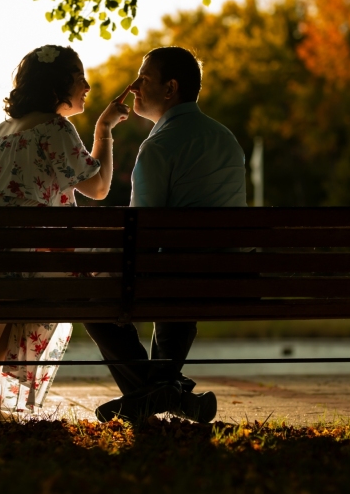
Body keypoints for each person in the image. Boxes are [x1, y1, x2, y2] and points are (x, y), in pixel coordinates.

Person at [0, 45, 131, 424]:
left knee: (20, 293)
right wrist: (104, 130)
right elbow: (99, 188)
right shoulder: (56, 129)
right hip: (17, 257)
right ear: (57, 85)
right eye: (78, 78)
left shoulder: (0, 132)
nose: (87, 85)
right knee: (54, 290)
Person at [84, 46, 247, 423]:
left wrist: (106, 269)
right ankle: (169, 393)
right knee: (175, 275)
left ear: (170, 88)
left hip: (176, 277)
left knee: (93, 298)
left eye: (144, 79)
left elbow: (142, 232)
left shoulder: (158, 145)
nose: (134, 86)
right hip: (226, 276)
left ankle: (157, 395)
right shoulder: (226, 138)